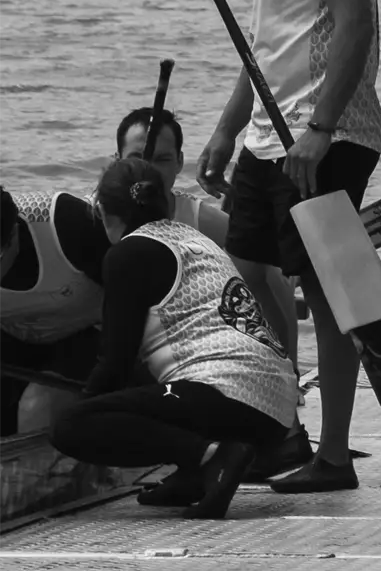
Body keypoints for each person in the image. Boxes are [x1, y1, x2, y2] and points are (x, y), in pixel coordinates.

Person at [185, 0, 381, 495]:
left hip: (325, 138)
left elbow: (354, 26)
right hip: (270, 139)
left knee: (331, 297)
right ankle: (286, 426)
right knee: (245, 267)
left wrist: (322, 129)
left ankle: (332, 456)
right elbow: (267, 45)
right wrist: (227, 126)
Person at [50, 158, 297, 520]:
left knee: (69, 426)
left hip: (226, 393)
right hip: (277, 410)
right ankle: (195, 472)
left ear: (103, 211)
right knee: (155, 385)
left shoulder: (126, 254)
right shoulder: (194, 238)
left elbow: (114, 364)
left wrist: (87, 412)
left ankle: (215, 456)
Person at [117, 106, 312, 476]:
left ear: (179, 164)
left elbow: (274, 284)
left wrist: (290, 369)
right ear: (116, 162)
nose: (147, 172)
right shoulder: (102, 216)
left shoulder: (205, 222)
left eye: (160, 160)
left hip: (202, 367)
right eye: (136, 159)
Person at [0, 184, 107, 436]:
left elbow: (140, 297)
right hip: (11, 337)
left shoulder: (72, 223)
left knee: (35, 409)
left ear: (14, 235)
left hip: (86, 335)